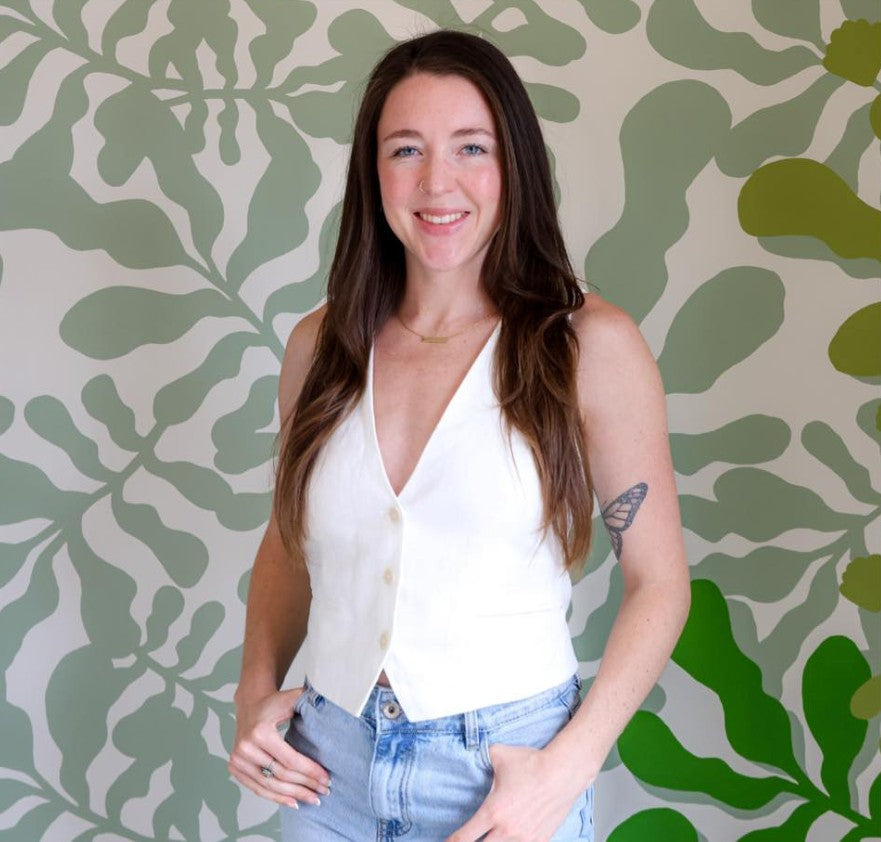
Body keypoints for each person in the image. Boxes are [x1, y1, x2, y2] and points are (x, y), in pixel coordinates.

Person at [228, 29, 690, 842]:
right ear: (373, 173)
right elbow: (289, 541)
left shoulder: (587, 345)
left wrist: (568, 768)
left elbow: (658, 581)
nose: (437, 182)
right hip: (324, 773)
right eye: (406, 149)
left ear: (513, 165)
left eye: (470, 147)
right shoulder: (319, 346)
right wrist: (253, 691)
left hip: (501, 775)